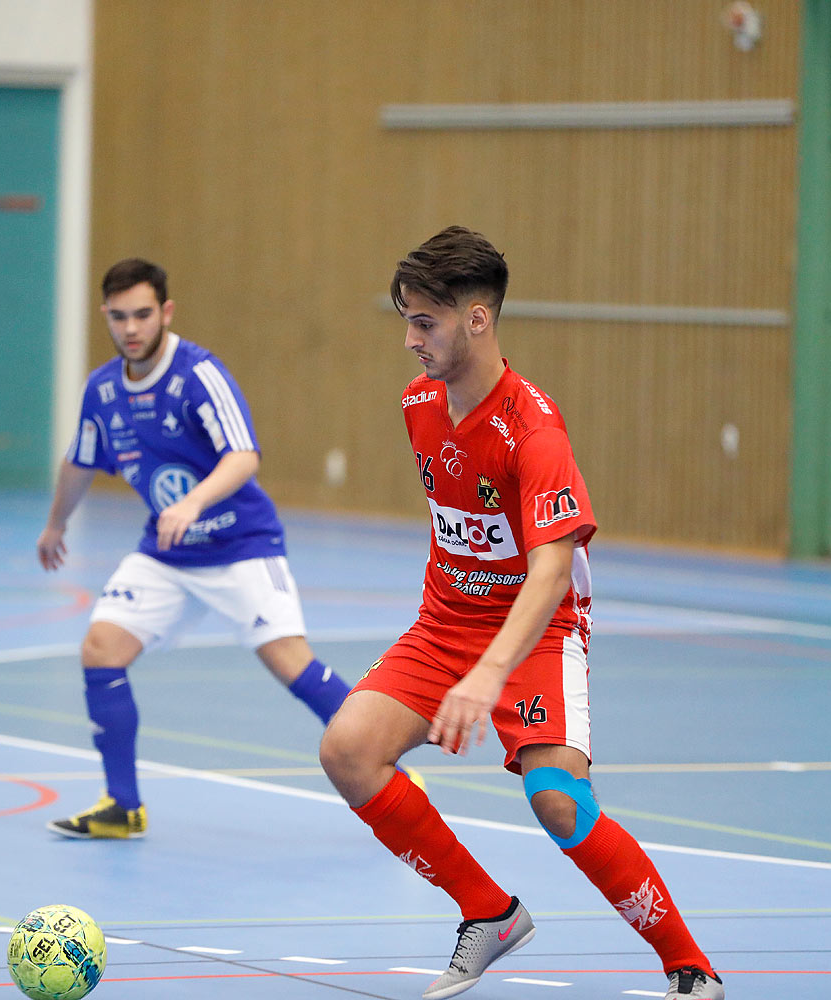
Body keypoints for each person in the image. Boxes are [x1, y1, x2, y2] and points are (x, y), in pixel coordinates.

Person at [319, 227, 724, 1000]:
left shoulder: (534, 428)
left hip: (537, 632)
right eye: (405, 319)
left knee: (559, 803)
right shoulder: (418, 404)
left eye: (424, 322)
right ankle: (488, 912)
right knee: (347, 750)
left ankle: (691, 970)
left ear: (478, 318)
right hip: (443, 626)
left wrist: (487, 675)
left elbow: (550, 570)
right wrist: (455, 653)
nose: (409, 340)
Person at [37, 257, 353, 839]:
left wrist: (191, 504)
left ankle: (389, 765)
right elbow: (80, 462)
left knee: (290, 663)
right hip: (167, 551)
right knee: (101, 648)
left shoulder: (199, 373)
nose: (130, 328)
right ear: (105, 317)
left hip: (241, 544)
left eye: (141, 314)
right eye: (118, 317)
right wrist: (56, 524)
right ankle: (121, 806)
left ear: (165, 312)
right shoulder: (103, 389)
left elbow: (243, 455)